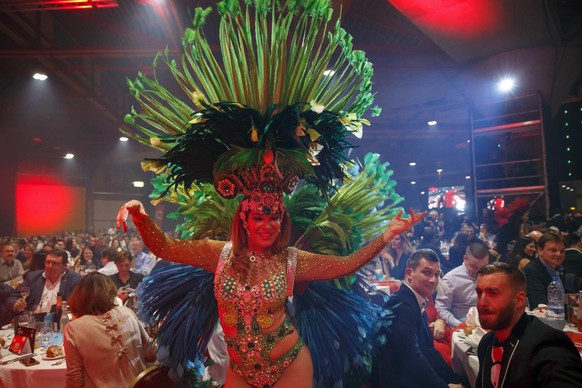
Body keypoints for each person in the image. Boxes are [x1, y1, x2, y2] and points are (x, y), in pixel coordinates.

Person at [118, 198, 423, 387]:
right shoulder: (218, 255)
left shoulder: (292, 260)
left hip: (290, 365)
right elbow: (165, 247)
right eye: (259, 218)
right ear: (244, 221)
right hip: (240, 370)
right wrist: (141, 216)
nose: (268, 225)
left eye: (274, 217)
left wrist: (387, 234)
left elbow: (345, 264)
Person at [475, 262, 582, 387]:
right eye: (479, 293)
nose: (482, 302)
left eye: (492, 293)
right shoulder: (487, 343)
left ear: (520, 301)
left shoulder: (547, 346)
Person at [369, 249, 465, 388]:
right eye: (426, 273)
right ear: (409, 274)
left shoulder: (414, 300)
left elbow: (428, 351)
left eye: (436, 274)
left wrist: (453, 380)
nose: (433, 279)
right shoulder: (402, 306)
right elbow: (412, 358)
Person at [63, 272, 156, 387]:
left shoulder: (73, 329)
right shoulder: (127, 312)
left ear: (79, 296)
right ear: (111, 292)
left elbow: (75, 380)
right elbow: (151, 355)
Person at [436, 240, 490, 328]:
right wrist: (461, 326)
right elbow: (441, 309)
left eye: (483, 267)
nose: (479, 272)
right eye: (474, 267)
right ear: (465, 259)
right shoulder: (451, 279)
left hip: (486, 325)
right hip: (461, 328)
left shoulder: (489, 275)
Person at [11, 249, 81, 314]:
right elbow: (13, 297)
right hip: (32, 320)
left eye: (54, 263)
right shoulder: (33, 277)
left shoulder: (74, 280)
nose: (49, 266)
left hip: (60, 322)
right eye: (48, 262)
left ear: (65, 265)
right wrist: (15, 303)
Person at [523, 233, 565, 308]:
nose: (559, 254)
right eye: (553, 250)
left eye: (562, 251)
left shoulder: (560, 270)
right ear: (540, 251)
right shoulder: (532, 270)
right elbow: (539, 304)